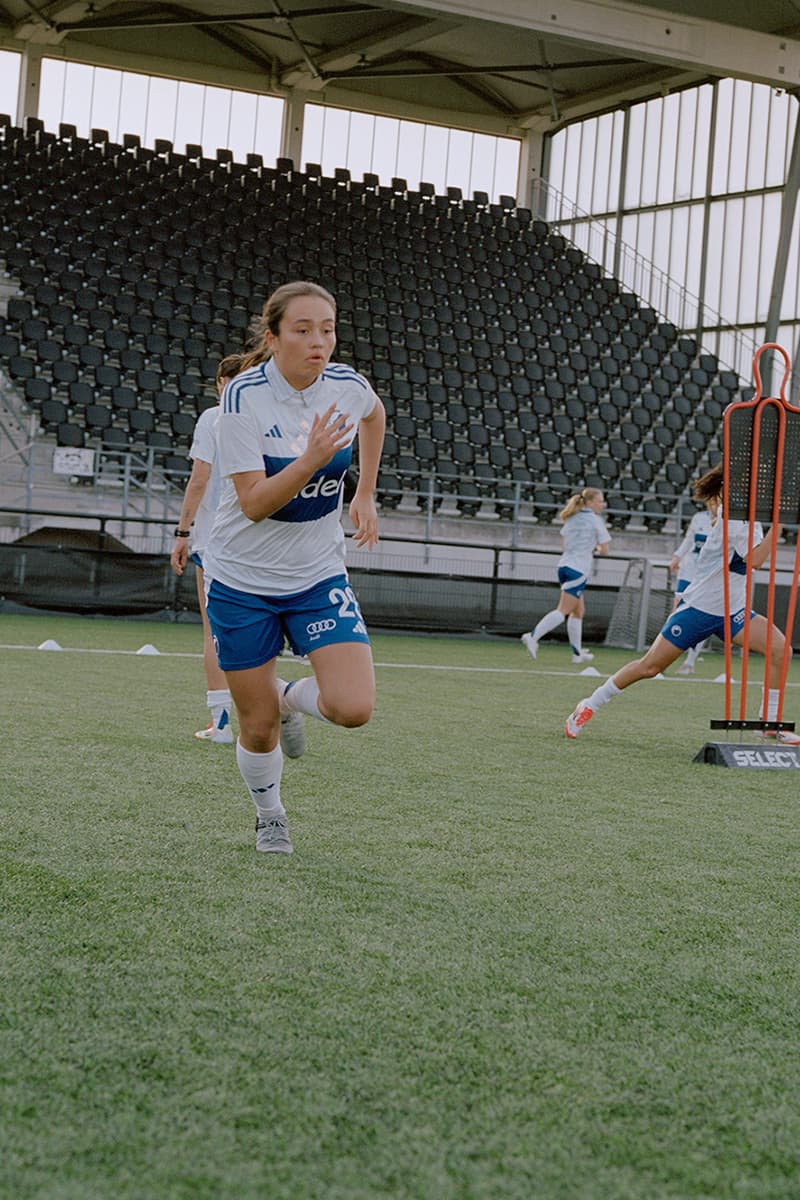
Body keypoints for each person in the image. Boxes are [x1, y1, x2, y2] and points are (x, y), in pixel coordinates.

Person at [203, 280, 386, 855]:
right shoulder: (243, 399)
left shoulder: (347, 386)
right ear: (273, 335)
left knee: (354, 708)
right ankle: (271, 814)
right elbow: (255, 503)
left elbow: (375, 414)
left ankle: (284, 698)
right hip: (241, 580)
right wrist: (311, 460)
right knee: (255, 728)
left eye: (327, 330)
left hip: (316, 574)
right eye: (303, 329)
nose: (319, 342)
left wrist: (365, 494)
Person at [564, 463, 800, 743]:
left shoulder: (749, 520)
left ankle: (769, 723)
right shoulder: (735, 522)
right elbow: (756, 561)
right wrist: (781, 523)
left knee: (780, 650)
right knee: (650, 667)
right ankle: (589, 704)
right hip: (699, 609)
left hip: (731, 611)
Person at [170, 353, 246, 744]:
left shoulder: (213, 419)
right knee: (254, 632)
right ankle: (268, 712)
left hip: (215, 541)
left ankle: (221, 724)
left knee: (213, 632)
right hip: (253, 541)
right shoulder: (265, 421)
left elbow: (199, 480)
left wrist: (181, 532)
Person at [521, 487, 611, 664]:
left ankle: (577, 654)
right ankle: (532, 636)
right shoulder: (595, 520)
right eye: (600, 501)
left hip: (564, 566)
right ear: (590, 502)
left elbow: (565, 544)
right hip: (578, 569)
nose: (603, 504)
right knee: (563, 611)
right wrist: (595, 547)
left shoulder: (572, 518)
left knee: (578, 611)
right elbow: (605, 550)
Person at [669, 499, 715, 675]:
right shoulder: (698, 518)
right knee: (676, 613)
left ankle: (690, 662)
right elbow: (689, 539)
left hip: (706, 574)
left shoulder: (728, 521)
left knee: (701, 615)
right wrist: (677, 556)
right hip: (688, 570)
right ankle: (663, 657)